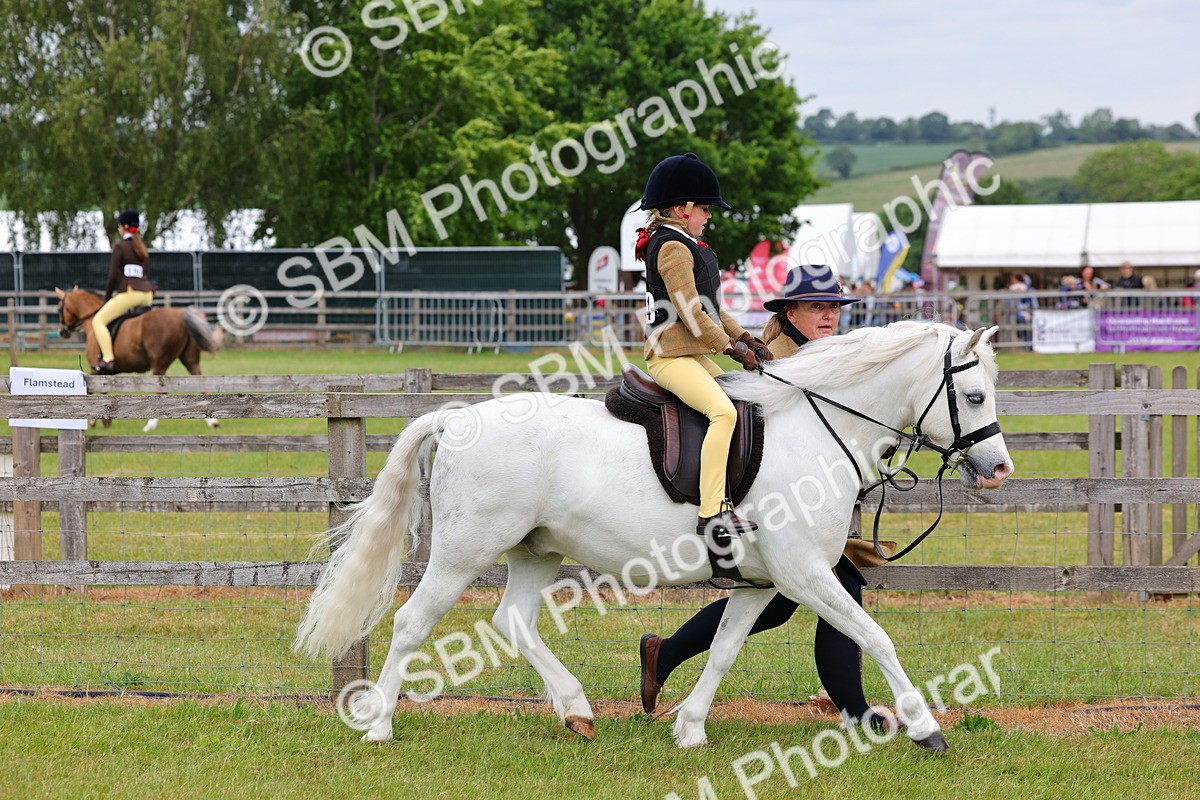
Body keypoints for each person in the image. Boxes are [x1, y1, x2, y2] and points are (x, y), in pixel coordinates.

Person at [639, 264, 897, 731]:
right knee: (838, 590)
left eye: (834, 308)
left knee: (777, 604)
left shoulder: (825, 357)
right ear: (791, 313)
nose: (828, 316)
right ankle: (856, 712)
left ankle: (666, 653)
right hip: (776, 510)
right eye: (817, 307)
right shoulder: (777, 362)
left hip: (802, 511)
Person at [636, 153, 770, 540]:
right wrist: (729, 348)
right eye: (705, 209)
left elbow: (713, 308)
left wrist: (746, 337)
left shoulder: (686, 243)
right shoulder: (673, 248)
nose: (709, 216)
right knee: (723, 413)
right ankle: (711, 512)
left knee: (743, 398)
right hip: (669, 357)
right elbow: (691, 313)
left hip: (690, 355)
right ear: (683, 208)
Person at [92, 209, 154, 374]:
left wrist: (107, 298)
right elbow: (146, 274)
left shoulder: (120, 247)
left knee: (98, 321)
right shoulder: (142, 247)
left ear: (125, 227)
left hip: (131, 293)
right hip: (147, 295)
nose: (118, 228)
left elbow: (113, 275)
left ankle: (108, 359)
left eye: (119, 226)